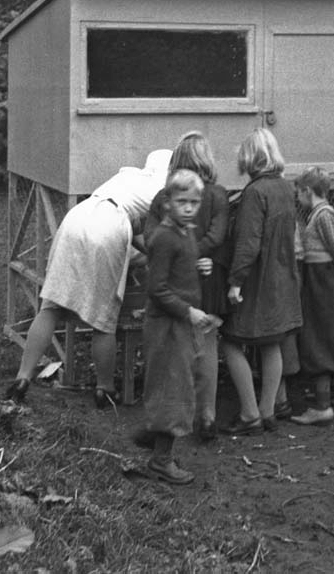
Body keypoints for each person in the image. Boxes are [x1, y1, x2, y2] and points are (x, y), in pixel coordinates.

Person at [6, 149, 172, 408]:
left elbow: (138, 235)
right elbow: (156, 239)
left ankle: (22, 378)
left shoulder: (127, 177)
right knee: (104, 320)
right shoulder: (163, 191)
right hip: (108, 227)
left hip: (77, 219)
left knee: (51, 305)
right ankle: (104, 388)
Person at [144, 132, 230, 442]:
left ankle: (170, 420)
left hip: (175, 285)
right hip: (208, 281)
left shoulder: (163, 198)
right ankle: (206, 418)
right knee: (206, 348)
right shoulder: (218, 194)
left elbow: (150, 239)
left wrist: (182, 258)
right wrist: (198, 256)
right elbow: (219, 236)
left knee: (174, 355)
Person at [139, 169, 220, 484]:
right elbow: (157, 289)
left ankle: (155, 439)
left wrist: (202, 265)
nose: (188, 208)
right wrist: (188, 312)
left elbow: (179, 272)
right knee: (172, 389)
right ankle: (160, 460)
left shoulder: (186, 233)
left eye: (194, 202)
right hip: (166, 326)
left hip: (181, 325)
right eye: (182, 201)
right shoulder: (163, 237)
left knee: (181, 385)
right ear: (167, 202)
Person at [221, 128, 302, 436]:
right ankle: (268, 411)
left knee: (230, 340)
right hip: (282, 277)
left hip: (258, 279)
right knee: (272, 342)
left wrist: (235, 282)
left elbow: (248, 243)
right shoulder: (285, 187)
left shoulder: (255, 193)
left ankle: (249, 413)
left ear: (250, 158)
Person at [291, 166, 334, 425]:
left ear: (307, 190)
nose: (297, 197)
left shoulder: (323, 215)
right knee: (327, 333)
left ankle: (322, 405)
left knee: (319, 336)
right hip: (322, 279)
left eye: (298, 192)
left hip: (323, 280)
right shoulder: (318, 214)